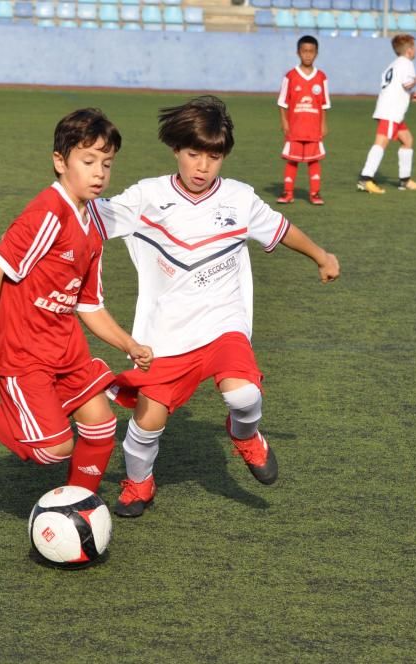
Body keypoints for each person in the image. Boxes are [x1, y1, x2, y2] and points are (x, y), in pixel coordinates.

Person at [86, 95, 341, 518]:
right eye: (193, 154)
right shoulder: (147, 196)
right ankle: (139, 483)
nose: (202, 166)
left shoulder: (239, 200)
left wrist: (321, 255)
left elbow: (280, 228)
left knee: (243, 396)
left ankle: (246, 436)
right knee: (148, 419)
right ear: (176, 150)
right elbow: (90, 217)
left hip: (224, 322)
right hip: (165, 333)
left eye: (213, 156)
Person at [0, 108, 152, 495]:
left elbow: (88, 304)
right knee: (52, 449)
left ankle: (78, 506)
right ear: (60, 161)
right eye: (88, 161)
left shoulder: (91, 220)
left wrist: (128, 344)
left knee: (101, 426)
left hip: (64, 348)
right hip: (23, 351)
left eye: (106, 164)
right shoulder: (48, 212)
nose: (99, 173)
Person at [357, 34, 416, 194]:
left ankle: (404, 180)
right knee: (381, 143)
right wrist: (415, 82)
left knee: (407, 139)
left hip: (392, 111)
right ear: (409, 50)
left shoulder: (393, 65)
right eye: (414, 47)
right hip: (391, 111)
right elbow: (407, 83)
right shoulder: (407, 64)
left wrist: (410, 94)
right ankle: (365, 179)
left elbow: (397, 86)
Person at [276, 34, 331, 206]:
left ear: (316, 53)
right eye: (304, 51)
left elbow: (324, 104)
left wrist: (323, 124)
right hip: (295, 127)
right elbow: (282, 102)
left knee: (314, 161)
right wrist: (284, 122)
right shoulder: (290, 76)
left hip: (314, 128)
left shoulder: (321, 77)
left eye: (311, 51)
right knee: (292, 160)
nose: (308, 55)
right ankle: (288, 193)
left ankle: (315, 193)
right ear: (298, 53)